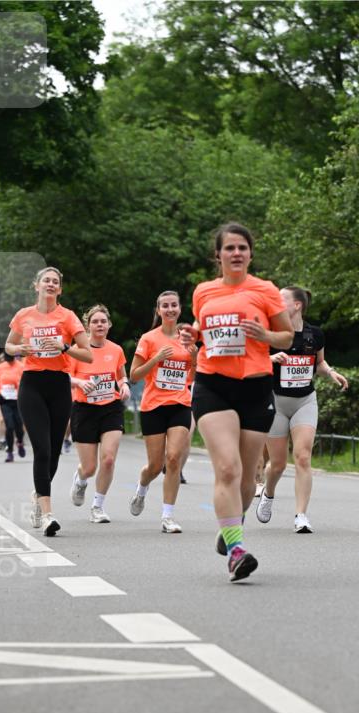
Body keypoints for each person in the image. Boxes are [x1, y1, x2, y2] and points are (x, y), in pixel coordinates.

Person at [181, 222, 293, 580]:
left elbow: (287, 338)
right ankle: (236, 550)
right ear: (218, 255)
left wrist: (266, 335)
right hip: (213, 384)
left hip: (256, 388)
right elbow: (204, 331)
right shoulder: (203, 292)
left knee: (247, 480)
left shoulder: (265, 290)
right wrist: (193, 336)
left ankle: (229, 527)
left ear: (250, 253)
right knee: (227, 469)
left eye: (242, 248)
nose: (236, 254)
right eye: (229, 248)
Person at [5, 266, 91, 536]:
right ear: (37, 286)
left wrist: (65, 347)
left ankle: (38, 496)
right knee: (41, 449)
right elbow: (8, 345)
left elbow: (87, 354)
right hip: (31, 384)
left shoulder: (67, 317)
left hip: (58, 384)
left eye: (55, 282)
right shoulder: (24, 315)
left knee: (53, 451)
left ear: (60, 289)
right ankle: (47, 514)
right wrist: (19, 349)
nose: (51, 284)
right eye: (46, 280)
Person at [256, 286, 348, 533]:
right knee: (277, 464)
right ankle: (269, 492)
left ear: (296, 305)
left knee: (303, 457)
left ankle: (301, 516)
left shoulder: (314, 335)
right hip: (275, 401)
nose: (275, 302)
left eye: (280, 299)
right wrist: (271, 359)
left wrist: (330, 372)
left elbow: (318, 363)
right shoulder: (272, 334)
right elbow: (251, 363)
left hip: (305, 401)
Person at [129, 290, 196, 533]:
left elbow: (192, 378)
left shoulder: (188, 339)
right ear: (158, 310)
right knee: (155, 466)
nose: (170, 309)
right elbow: (134, 375)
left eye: (174, 305)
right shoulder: (149, 339)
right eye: (165, 306)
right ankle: (142, 487)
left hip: (179, 403)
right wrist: (156, 358)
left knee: (173, 459)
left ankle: (168, 516)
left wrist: (195, 357)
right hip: (153, 406)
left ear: (179, 309)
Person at [68, 304, 129, 523]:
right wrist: (79, 383)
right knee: (90, 467)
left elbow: (121, 375)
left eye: (103, 321)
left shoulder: (116, 350)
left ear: (109, 325)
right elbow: (64, 376)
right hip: (84, 410)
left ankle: (97, 506)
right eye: (95, 321)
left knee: (109, 459)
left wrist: (124, 385)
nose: (100, 324)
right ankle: (81, 479)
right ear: (88, 326)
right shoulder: (77, 350)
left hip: (110, 408)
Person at [0, 355, 26, 462]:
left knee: (19, 426)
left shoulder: (21, 366)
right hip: (5, 401)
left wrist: (21, 384)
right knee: (9, 426)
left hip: (18, 401)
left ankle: (20, 442)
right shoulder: (0, 367)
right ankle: (10, 452)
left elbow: (29, 381)